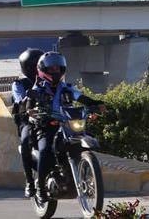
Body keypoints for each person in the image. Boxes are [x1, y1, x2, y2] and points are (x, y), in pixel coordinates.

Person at [26, 51, 105, 202]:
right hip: (46, 125)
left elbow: (79, 97)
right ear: (43, 70)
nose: (55, 71)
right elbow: (30, 98)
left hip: (66, 124)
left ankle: (84, 171)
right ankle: (41, 189)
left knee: (88, 138)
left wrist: (96, 104)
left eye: (58, 68)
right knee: (44, 150)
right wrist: (31, 110)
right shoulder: (40, 87)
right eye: (51, 69)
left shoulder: (66, 87)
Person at [10, 47, 44, 198]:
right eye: (36, 65)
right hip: (27, 120)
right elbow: (19, 101)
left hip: (48, 117)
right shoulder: (19, 84)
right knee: (25, 141)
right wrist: (27, 99)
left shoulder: (50, 80)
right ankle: (30, 181)